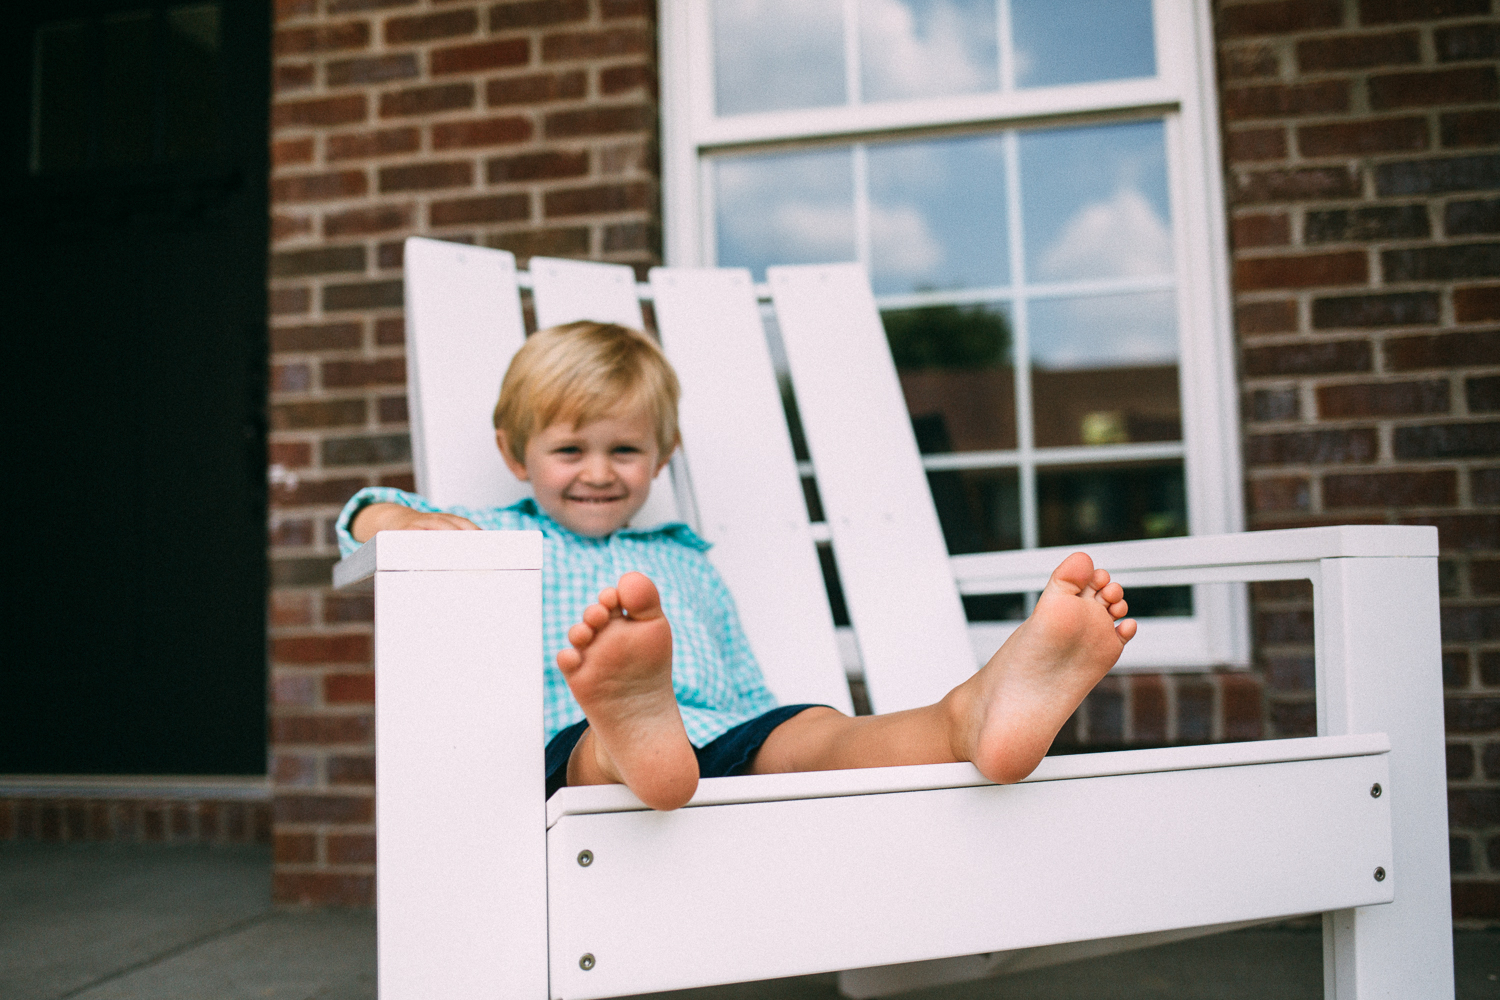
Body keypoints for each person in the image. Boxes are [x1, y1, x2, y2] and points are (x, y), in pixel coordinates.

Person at [339, 321, 1136, 811]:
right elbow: (361, 515)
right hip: (564, 745)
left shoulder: (684, 558)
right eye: (568, 450)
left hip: (718, 734)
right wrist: (411, 522)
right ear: (515, 456)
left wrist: (777, 725)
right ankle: (627, 733)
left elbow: (739, 680)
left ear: (663, 456)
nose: (598, 471)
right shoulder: (490, 533)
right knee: (595, 748)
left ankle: (966, 719)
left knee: (816, 732)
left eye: (624, 449)